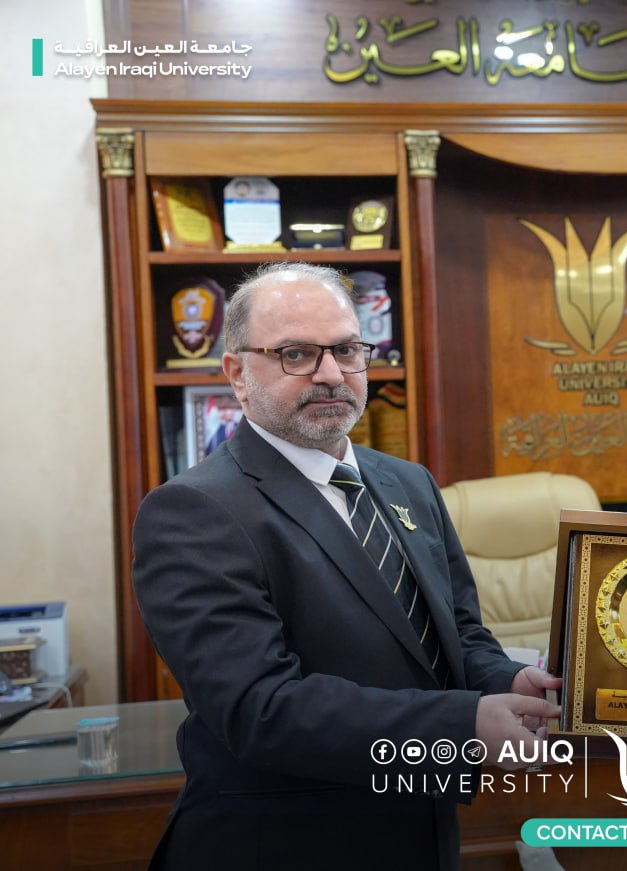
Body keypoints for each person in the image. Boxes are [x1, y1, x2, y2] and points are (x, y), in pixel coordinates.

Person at [132, 262, 560, 871]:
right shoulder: (192, 511)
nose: (331, 374)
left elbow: (458, 635)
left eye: (347, 350)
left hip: (422, 830)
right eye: (296, 354)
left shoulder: (408, 483)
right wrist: (463, 725)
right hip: (285, 847)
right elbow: (261, 708)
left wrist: (505, 682)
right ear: (236, 373)